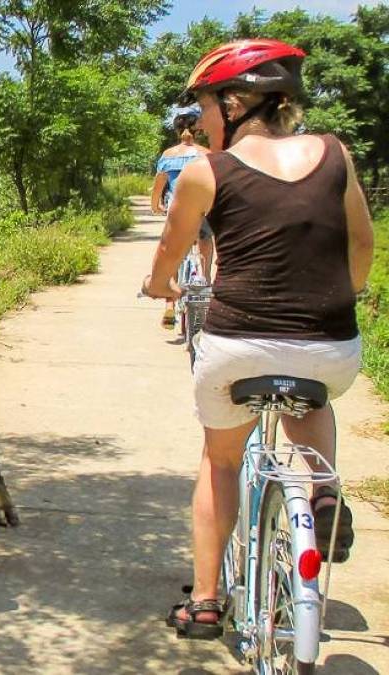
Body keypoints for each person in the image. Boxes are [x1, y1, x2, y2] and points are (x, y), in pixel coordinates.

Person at [141, 38, 375, 639]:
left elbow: (170, 256)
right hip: (329, 344)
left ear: (236, 102)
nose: (201, 119)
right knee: (312, 394)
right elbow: (361, 247)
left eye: (205, 105)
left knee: (220, 463)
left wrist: (160, 286)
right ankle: (322, 493)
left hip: (237, 344)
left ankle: (205, 602)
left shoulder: (204, 171)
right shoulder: (335, 154)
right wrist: (330, 303)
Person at [150, 107, 214, 328]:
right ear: (198, 131)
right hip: (203, 209)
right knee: (205, 240)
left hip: (176, 211)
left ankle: (169, 304)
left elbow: (159, 186)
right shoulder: (206, 153)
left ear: (176, 130)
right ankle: (204, 279)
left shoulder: (168, 155)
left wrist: (155, 205)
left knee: (174, 252)